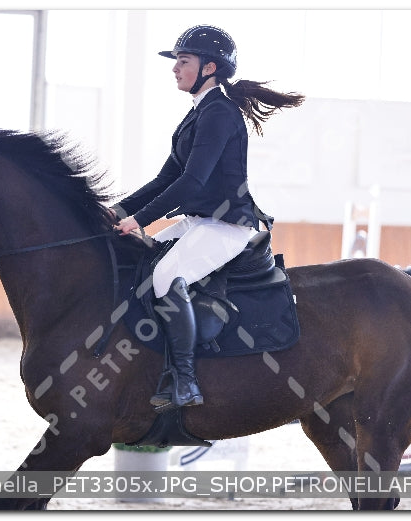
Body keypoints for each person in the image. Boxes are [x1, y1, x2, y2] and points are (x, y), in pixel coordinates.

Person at [112, 24, 304, 409]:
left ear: (209, 67)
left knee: (167, 276)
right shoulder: (196, 115)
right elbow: (165, 178)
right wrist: (117, 211)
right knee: (138, 260)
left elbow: (192, 182)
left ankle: (185, 381)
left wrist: (141, 220)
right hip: (201, 222)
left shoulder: (219, 113)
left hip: (230, 226)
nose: (175, 68)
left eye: (183, 61)